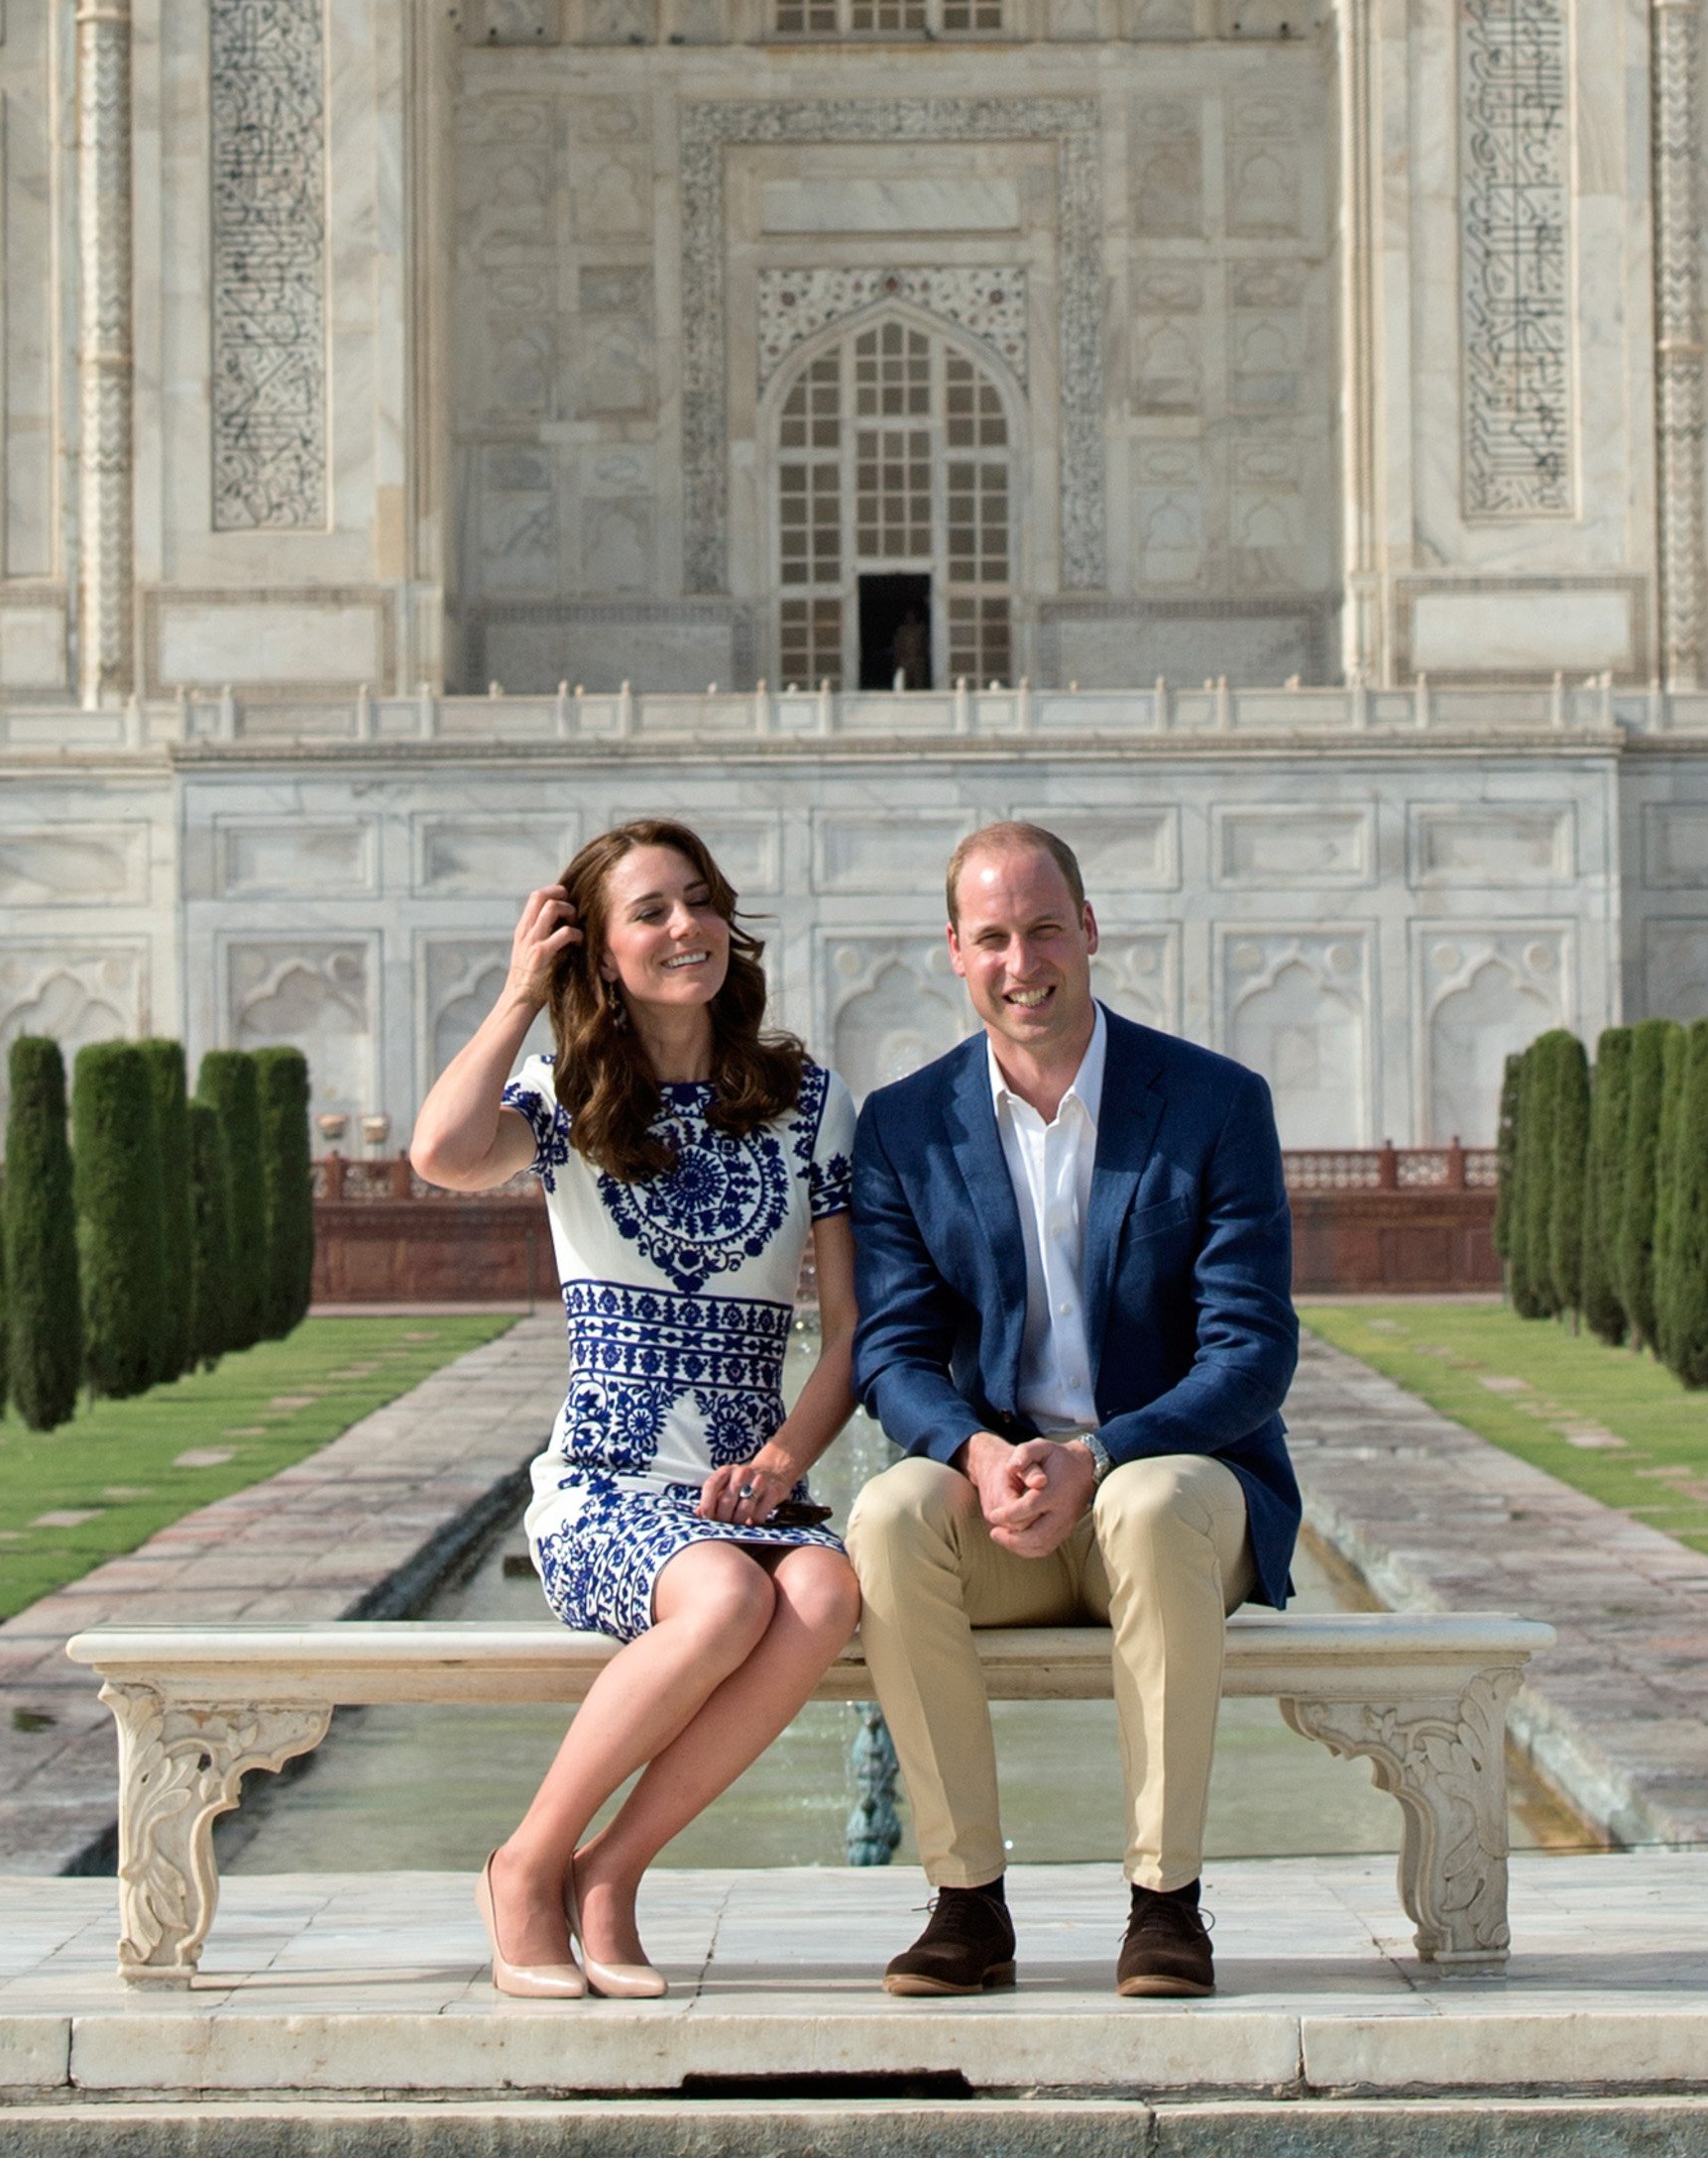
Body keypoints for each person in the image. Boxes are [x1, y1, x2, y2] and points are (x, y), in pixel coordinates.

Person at [411, 817, 861, 2000]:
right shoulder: (567, 1097)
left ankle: (610, 1875)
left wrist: (782, 1459)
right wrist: (520, 993)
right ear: (603, 954)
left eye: (699, 901)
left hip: (742, 1482)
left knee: (823, 1587)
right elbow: (441, 1154)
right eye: (651, 912)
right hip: (609, 1487)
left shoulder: (805, 1101)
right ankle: (526, 1863)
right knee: (719, 1594)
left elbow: (851, 1332)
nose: (685, 929)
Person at [847, 820, 1299, 2000]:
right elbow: (891, 1357)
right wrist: (978, 1451)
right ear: (954, 950)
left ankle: (1165, 1905)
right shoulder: (906, 1126)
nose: (1021, 961)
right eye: (992, 936)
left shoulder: (1209, 1104)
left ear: (1089, 930)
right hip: (1012, 1508)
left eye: (1044, 928)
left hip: (1179, 1494)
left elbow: (1252, 1355)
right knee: (891, 1513)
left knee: (1146, 1502)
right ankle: (965, 1902)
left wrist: (1100, 1454)